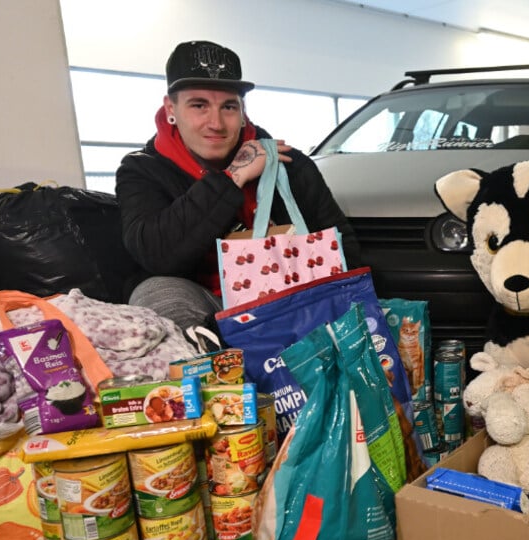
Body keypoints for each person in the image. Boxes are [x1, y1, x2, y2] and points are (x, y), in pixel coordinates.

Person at [116, 40, 360, 337]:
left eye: (228, 106)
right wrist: (233, 176)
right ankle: (211, 372)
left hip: (291, 301)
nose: (216, 123)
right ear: (171, 108)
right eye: (199, 105)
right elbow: (157, 255)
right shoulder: (141, 170)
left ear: (243, 110)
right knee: (156, 292)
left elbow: (341, 246)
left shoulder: (290, 164)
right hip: (206, 304)